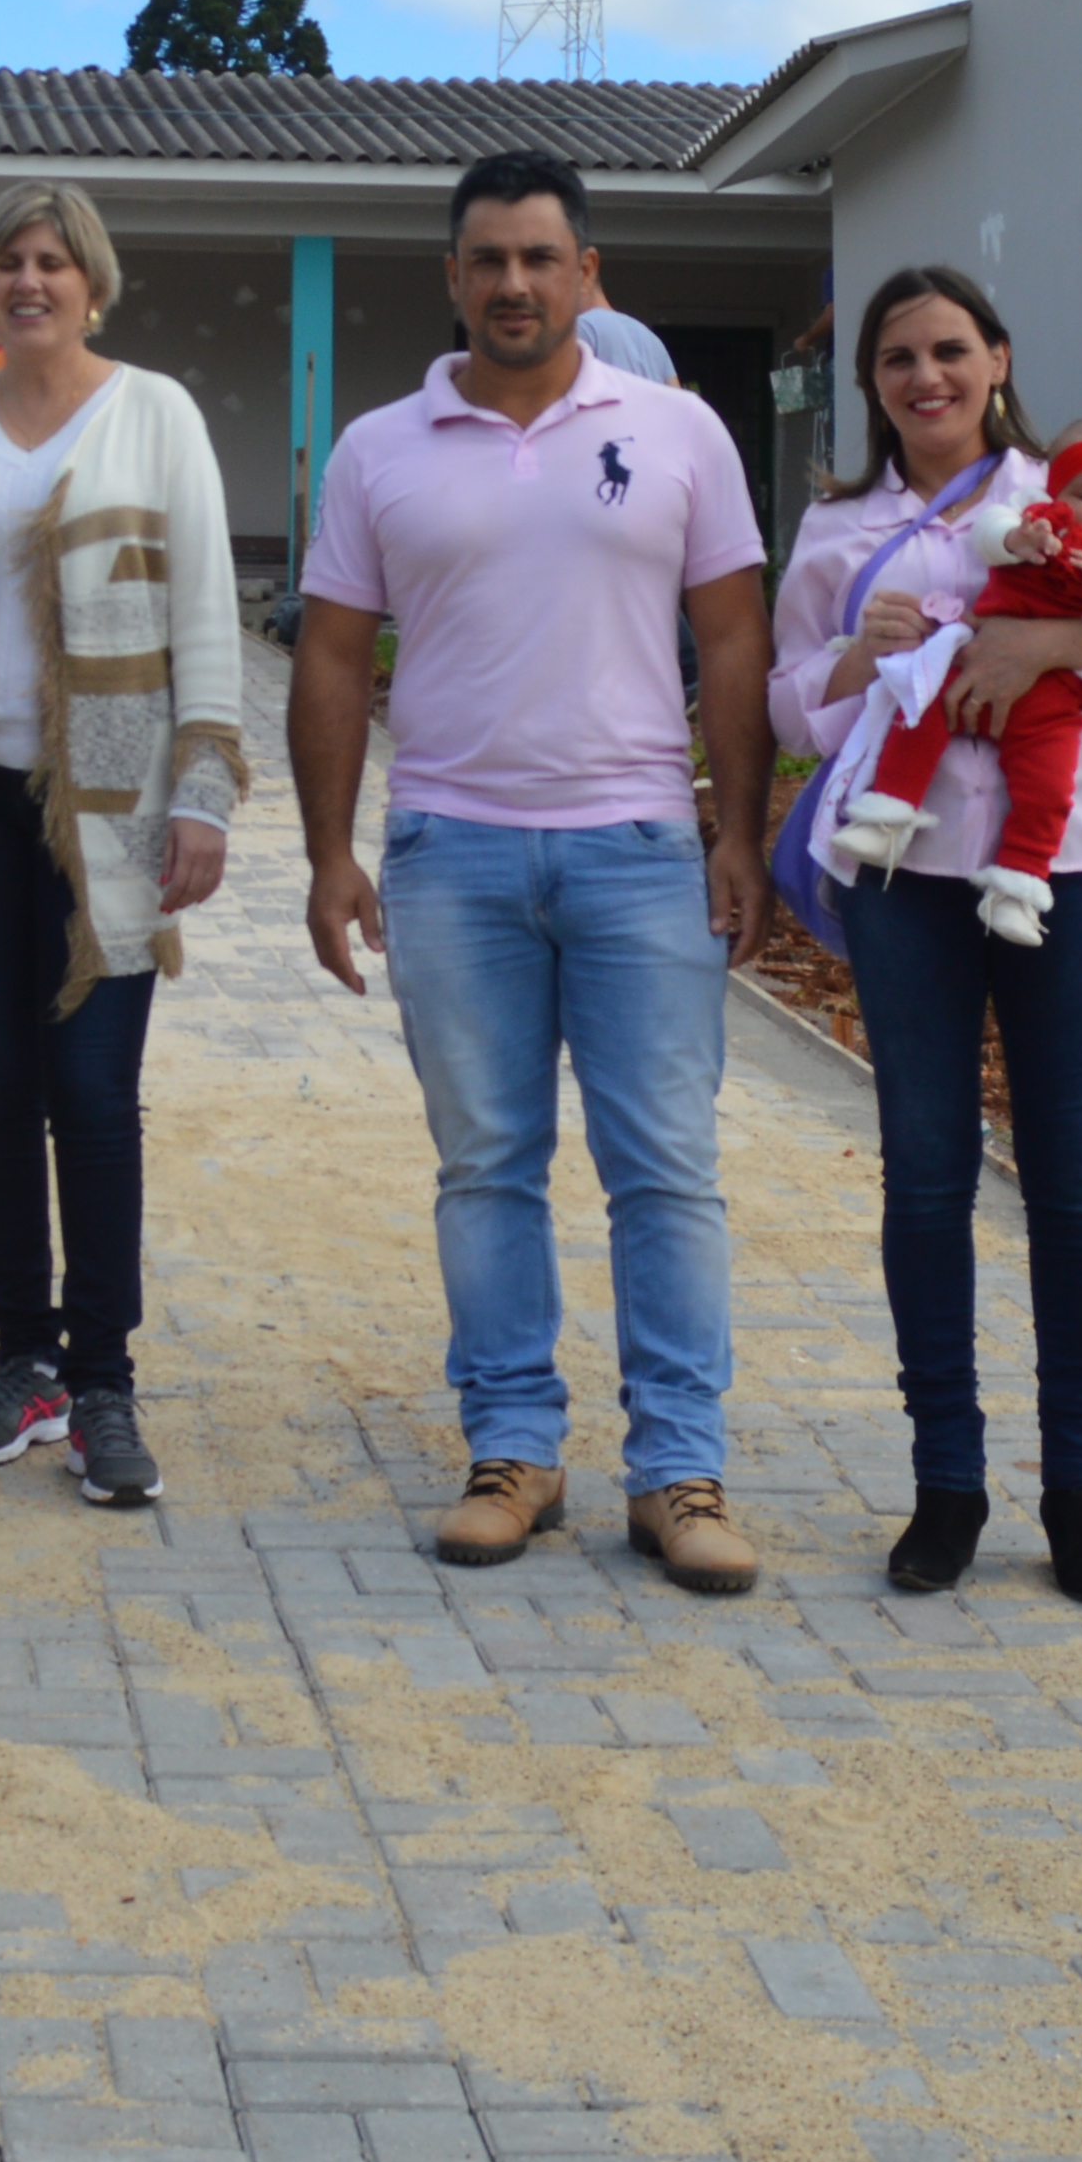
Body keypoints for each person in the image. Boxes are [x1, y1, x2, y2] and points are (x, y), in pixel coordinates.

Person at [290, 153, 778, 1596]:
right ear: (452, 278)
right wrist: (331, 852)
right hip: (452, 854)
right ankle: (513, 1450)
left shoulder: (681, 432)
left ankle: (678, 1471)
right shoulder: (380, 449)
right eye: (487, 259)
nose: (513, 282)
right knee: (486, 1165)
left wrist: (736, 830)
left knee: (666, 1173)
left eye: (540, 258)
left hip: (638, 852)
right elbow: (330, 653)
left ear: (587, 273)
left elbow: (736, 642)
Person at [775, 270, 1082, 1610]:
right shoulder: (836, 527)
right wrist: (863, 652)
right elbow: (791, 709)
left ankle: (1078, 1494)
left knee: (1074, 1180)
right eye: (899, 358)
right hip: (906, 879)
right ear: (873, 382)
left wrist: (1042, 652)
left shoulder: (1072, 487)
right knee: (925, 1173)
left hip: (1071, 871)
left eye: (951, 351)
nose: (927, 379)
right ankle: (946, 1486)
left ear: (998, 360)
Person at [0, 181, 247, 1512]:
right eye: (9, 262)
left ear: (94, 283)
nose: (31, 282)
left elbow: (206, 617)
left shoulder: (158, 415)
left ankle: (108, 1381)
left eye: (54, 263)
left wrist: (204, 794)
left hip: (111, 818)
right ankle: (26, 1360)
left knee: (95, 1095)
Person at [818, 418, 1082, 944]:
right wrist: (1018, 538)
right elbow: (988, 533)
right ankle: (889, 813)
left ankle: (1019, 883)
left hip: (1055, 698)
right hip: (969, 659)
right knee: (918, 709)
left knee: (1047, 785)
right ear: (1056, 491)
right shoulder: (1034, 512)